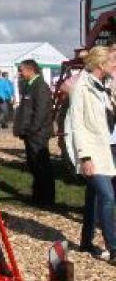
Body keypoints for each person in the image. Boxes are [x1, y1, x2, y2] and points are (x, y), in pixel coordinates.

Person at [67, 45, 116, 262]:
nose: (115, 65)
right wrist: (84, 157)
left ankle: (86, 242)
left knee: (93, 197)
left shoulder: (103, 85)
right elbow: (77, 124)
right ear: (100, 64)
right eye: (112, 62)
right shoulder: (82, 87)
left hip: (103, 149)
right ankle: (114, 248)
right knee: (107, 197)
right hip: (91, 152)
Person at [13, 58, 55, 208]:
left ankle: (46, 199)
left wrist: (32, 130)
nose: (20, 73)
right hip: (31, 133)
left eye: (22, 70)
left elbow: (41, 111)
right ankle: (38, 196)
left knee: (41, 165)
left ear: (31, 70)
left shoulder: (40, 86)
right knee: (34, 165)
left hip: (37, 133)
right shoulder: (30, 85)